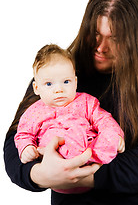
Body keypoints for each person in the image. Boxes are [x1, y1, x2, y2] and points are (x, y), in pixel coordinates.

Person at [4, 0, 138, 205]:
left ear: (136, 41)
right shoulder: (58, 77)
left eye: (114, 38)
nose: (101, 47)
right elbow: (16, 139)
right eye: (95, 34)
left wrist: (83, 176)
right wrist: (40, 174)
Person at [14, 44, 124, 194]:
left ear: (75, 82)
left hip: (89, 152)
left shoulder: (86, 102)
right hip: (56, 159)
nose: (59, 89)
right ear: (36, 88)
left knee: (109, 133)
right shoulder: (33, 112)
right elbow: (23, 134)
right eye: (49, 84)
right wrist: (26, 148)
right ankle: (69, 159)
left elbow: (103, 119)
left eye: (66, 82)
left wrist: (115, 135)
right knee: (51, 142)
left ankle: (93, 160)